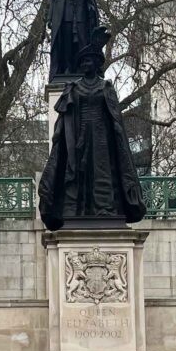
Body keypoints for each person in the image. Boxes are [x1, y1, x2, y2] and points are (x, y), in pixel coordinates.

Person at [39, 26, 146, 229]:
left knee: (102, 172)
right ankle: (75, 209)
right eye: (83, 61)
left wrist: (118, 139)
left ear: (97, 63)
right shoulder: (74, 88)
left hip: (101, 136)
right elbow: (64, 116)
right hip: (78, 136)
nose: (86, 64)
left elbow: (114, 117)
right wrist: (60, 137)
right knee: (77, 172)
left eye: (89, 60)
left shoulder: (106, 87)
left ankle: (104, 209)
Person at [46, 0, 99, 81]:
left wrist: (91, 9)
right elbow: (54, 1)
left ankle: (82, 68)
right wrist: (49, 18)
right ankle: (68, 68)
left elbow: (90, 0)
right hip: (65, 19)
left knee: (82, 44)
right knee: (66, 45)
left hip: (82, 19)